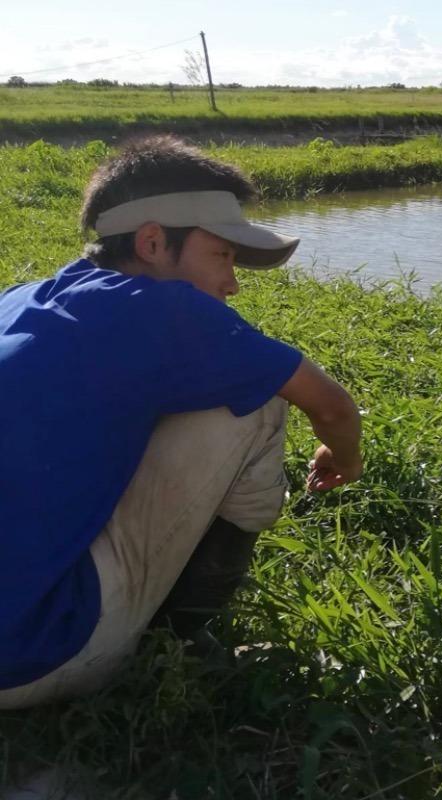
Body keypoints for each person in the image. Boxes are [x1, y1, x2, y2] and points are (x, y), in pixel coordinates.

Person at [0, 136, 363, 709]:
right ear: (151, 242)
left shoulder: (21, 300)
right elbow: (333, 406)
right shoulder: (164, 310)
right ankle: (182, 642)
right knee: (258, 399)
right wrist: (345, 460)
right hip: (29, 656)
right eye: (221, 255)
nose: (233, 282)